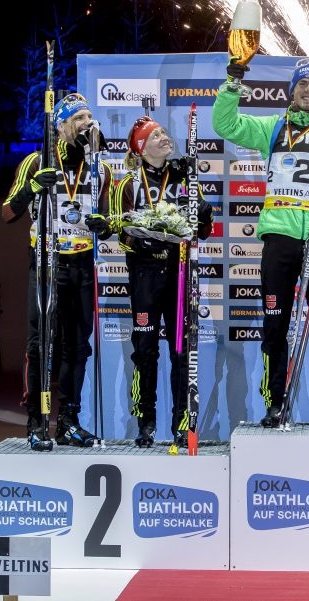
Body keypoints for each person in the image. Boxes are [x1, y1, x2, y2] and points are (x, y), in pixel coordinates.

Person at [213, 58, 309, 428]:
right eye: (304, 85)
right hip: (280, 237)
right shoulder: (274, 126)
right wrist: (232, 83)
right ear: (293, 90)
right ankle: (276, 404)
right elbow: (225, 124)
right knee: (275, 325)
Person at [90, 116, 213, 447]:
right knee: (144, 350)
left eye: (163, 132)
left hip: (179, 271)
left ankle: (180, 423)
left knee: (180, 351)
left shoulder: (185, 175)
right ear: (142, 147)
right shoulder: (127, 183)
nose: (164, 137)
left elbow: (202, 231)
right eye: (155, 135)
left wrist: (203, 210)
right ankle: (145, 423)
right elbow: (120, 232)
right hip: (144, 274)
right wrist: (142, 240)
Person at [2, 92, 112, 449]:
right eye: (79, 119)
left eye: (89, 118)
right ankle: (35, 421)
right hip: (47, 263)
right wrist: (34, 187)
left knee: (78, 347)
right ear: (61, 125)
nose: (86, 124)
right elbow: (7, 213)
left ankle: (68, 421)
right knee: (40, 346)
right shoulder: (37, 162)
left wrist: (103, 224)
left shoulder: (100, 168)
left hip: (81, 262)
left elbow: (109, 221)